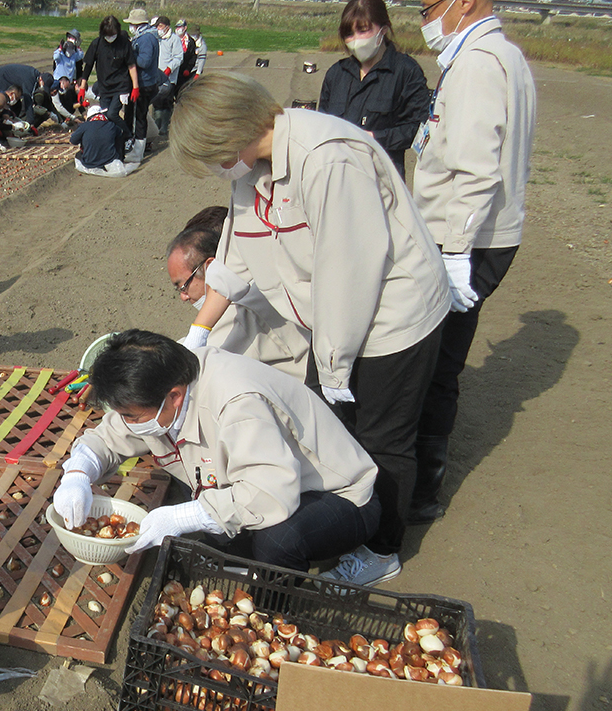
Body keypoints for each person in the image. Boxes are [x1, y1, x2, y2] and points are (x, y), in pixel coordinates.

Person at [171, 73, 451, 587]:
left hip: (390, 314)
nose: (214, 169)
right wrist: (199, 333)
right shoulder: (249, 170)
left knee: (383, 436)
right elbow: (233, 263)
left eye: (210, 155)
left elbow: (350, 273)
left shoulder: (327, 159)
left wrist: (336, 361)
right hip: (332, 315)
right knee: (333, 430)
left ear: (228, 134)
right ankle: (336, 519)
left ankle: (382, 547)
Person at [53, 330, 379, 573]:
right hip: (249, 483)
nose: (128, 424)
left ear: (175, 397)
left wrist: (187, 515)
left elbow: (270, 494)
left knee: (277, 540)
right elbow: (108, 437)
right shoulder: (163, 385)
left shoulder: (238, 402)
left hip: (337, 495)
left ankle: (273, 609)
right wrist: (78, 473)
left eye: (132, 417)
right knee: (202, 538)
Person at [409, 0, 536, 524]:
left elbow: (476, 169)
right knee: (442, 361)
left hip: (464, 238)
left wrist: (456, 253)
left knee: (431, 365)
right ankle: (421, 485)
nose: (426, 21)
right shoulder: (502, 55)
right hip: (479, 234)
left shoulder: (480, 64)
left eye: (430, 8)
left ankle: (418, 490)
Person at [166, 207, 309, 379]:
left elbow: (187, 362)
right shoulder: (261, 277)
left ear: (210, 267)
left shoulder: (239, 309)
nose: (183, 296)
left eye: (183, 286)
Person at [318, 0, 432, 178]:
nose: (356, 40)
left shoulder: (406, 72)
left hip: (383, 181)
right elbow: (321, 125)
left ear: (384, 28)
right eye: (349, 33)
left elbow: (418, 128)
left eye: (363, 30)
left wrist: (374, 138)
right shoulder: (336, 74)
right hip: (338, 178)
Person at [79, 15, 140, 131]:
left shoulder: (124, 43)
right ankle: (113, 140)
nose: (110, 37)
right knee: (105, 116)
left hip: (121, 86)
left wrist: (135, 87)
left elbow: (131, 65)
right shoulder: (97, 44)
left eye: (113, 34)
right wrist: (83, 86)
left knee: (112, 114)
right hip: (104, 87)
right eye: (108, 35)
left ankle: (128, 135)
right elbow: (88, 66)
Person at [125, 8, 160, 163]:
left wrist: (130, 56)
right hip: (146, 82)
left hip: (144, 83)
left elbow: (144, 62)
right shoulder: (147, 36)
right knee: (138, 115)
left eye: (132, 23)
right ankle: (136, 146)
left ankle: (138, 151)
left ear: (137, 24)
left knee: (140, 117)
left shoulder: (145, 39)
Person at [70, 105, 139, 178]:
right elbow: (120, 141)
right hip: (110, 160)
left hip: (89, 162)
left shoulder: (84, 126)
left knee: (78, 154)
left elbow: (73, 141)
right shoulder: (112, 125)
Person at [152, 16, 184, 135]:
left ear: (167, 27)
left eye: (160, 26)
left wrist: (169, 68)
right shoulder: (156, 38)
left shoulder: (174, 39)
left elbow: (179, 57)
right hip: (156, 75)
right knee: (156, 101)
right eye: (157, 26)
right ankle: (156, 125)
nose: (158, 28)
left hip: (169, 77)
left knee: (166, 101)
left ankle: (164, 126)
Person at [175, 20, 207, 91]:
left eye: (195, 34)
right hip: (185, 69)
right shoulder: (188, 41)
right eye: (192, 34)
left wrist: (198, 73)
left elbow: (201, 60)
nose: (193, 36)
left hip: (194, 70)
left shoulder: (202, 45)